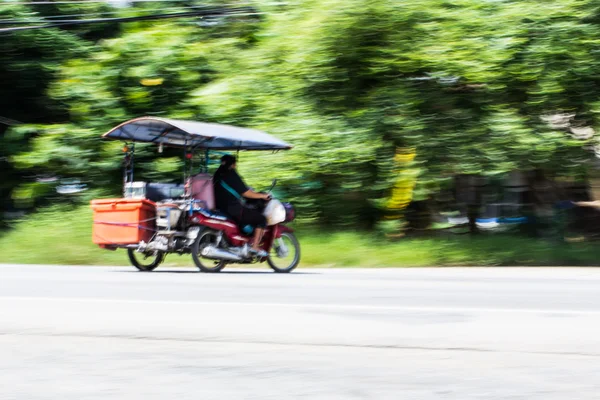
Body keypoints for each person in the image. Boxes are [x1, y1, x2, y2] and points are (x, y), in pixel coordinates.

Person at [213, 154, 271, 257]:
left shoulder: (218, 174)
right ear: (233, 164)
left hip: (221, 207)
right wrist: (262, 196)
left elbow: (237, 189)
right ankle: (255, 247)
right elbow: (246, 193)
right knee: (261, 219)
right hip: (233, 209)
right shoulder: (231, 174)